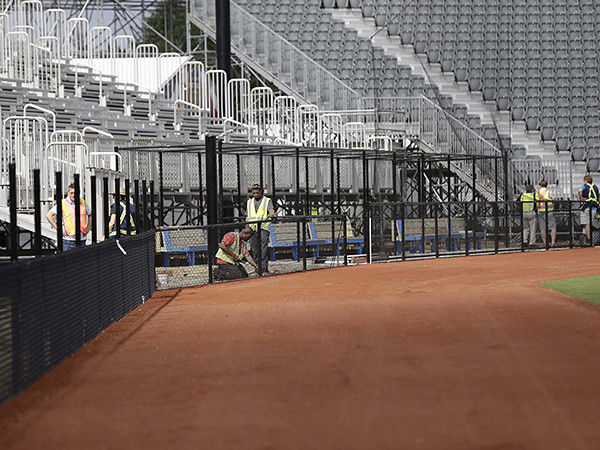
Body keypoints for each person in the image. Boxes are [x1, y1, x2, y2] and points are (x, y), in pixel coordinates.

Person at [46, 183, 92, 250]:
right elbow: (49, 215)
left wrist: (88, 227)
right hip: (68, 240)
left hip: (81, 239)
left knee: (81, 260)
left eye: (75, 193)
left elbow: (90, 214)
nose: (73, 195)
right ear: (68, 193)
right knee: (67, 260)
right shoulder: (63, 203)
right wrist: (58, 228)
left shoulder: (83, 202)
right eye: (71, 193)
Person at [246, 184, 277, 273]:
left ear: (261, 192)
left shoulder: (266, 201)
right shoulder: (249, 202)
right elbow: (248, 215)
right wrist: (247, 226)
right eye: (254, 193)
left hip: (263, 228)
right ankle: (257, 269)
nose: (255, 195)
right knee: (255, 250)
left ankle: (264, 268)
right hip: (252, 228)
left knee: (263, 249)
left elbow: (271, 210)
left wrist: (273, 214)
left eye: (257, 193)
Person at [578, 174, 599, 242]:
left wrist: (581, 198)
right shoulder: (596, 187)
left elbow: (579, 191)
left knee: (586, 223)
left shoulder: (585, 186)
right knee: (589, 223)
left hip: (586, 205)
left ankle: (588, 238)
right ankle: (584, 235)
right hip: (594, 207)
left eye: (584, 180)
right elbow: (598, 197)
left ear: (586, 180)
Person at [537, 180, 556, 247]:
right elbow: (553, 198)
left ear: (540, 185)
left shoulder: (538, 192)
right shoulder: (549, 191)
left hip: (540, 211)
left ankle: (545, 242)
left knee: (542, 228)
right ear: (546, 185)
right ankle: (553, 242)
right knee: (552, 227)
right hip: (549, 210)